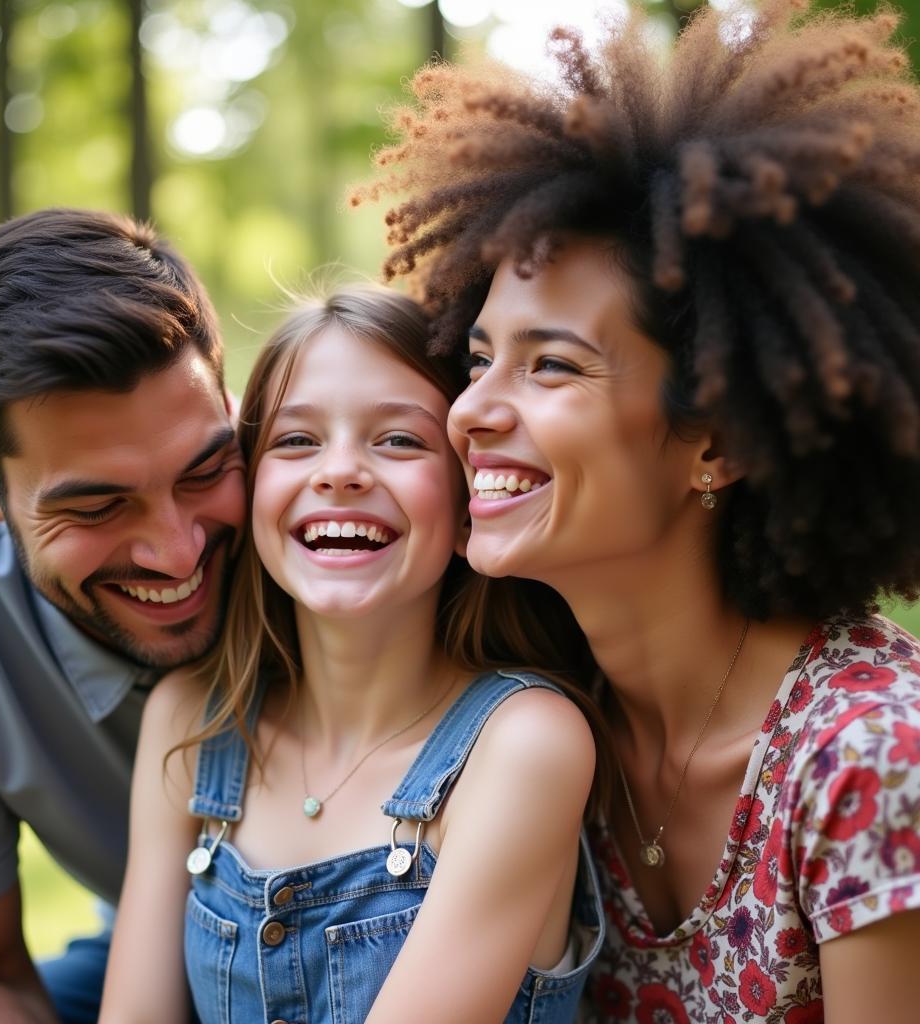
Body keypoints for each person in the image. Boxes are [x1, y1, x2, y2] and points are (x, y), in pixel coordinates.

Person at [358, 0, 920, 1020]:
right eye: (480, 360)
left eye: (551, 366)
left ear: (717, 442)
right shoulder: (522, 706)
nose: (473, 410)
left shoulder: (870, 754)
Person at [98, 284, 603, 1024]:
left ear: (468, 506)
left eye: (399, 440)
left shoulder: (524, 744)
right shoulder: (192, 722)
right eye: (296, 440)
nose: (339, 472)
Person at [0, 208, 245, 1024]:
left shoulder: (330, 520)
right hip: (149, 954)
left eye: (205, 471)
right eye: (98, 506)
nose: (177, 551)